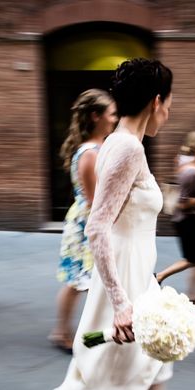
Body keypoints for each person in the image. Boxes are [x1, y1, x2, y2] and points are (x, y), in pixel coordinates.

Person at [27, 58, 184, 390]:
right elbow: (98, 226)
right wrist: (119, 301)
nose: (169, 113)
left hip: (137, 271)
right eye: (169, 103)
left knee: (153, 350)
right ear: (155, 101)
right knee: (108, 358)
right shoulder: (128, 146)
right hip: (124, 278)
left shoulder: (123, 141)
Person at [51, 89, 118, 352]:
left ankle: (70, 331)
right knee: (80, 280)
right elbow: (94, 201)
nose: (115, 119)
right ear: (96, 116)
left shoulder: (98, 148)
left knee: (83, 281)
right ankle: (64, 332)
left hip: (86, 220)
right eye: (112, 114)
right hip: (86, 225)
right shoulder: (91, 152)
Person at [156, 130, 195, 310]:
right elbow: (183, 204)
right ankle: (193, 296)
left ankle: (186, 292)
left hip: (192, 220)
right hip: (188, 219)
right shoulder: (191, 172)